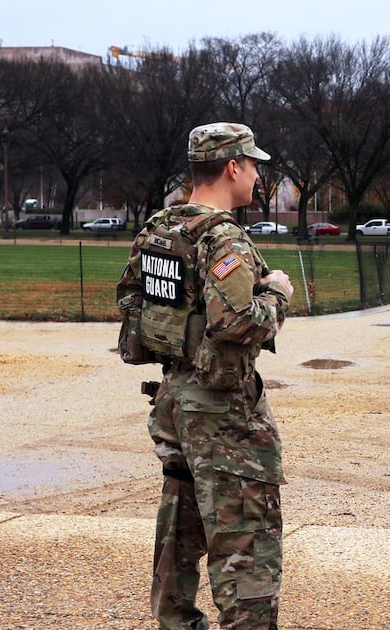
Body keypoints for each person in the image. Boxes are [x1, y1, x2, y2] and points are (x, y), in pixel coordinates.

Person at [116, 122, 295, 630]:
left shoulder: (157, 229)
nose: (258, 176)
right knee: (246, 538)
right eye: (254, 165)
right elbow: (237, 322)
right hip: (223, 412)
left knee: (180, 523)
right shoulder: (222, 237)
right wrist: (277, 292)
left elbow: (130, 300)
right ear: (233, 167)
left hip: (174, 398)